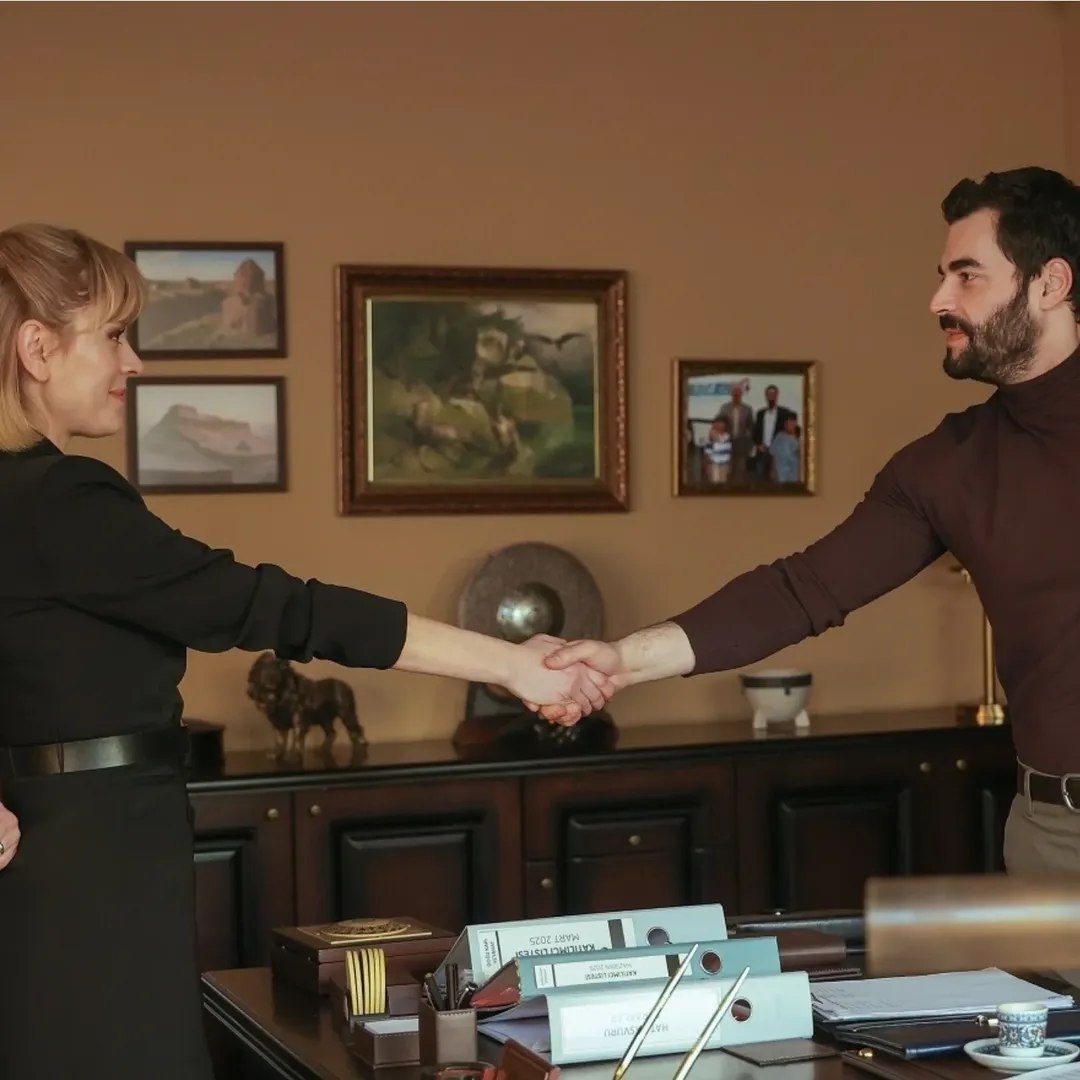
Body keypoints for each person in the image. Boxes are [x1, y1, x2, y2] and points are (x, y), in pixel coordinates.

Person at [0, 223, 614, 1079]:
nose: (133, 362)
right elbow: (276, 607)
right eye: (113, 335)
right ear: (36, 348)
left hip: (58, 855)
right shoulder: (63, 499)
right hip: (92, 862)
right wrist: (508, 664)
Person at [539, 166, 1080, 890]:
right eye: (941, 277)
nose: (938, 301)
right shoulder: (945, 466)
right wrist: (621, 660)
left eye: (967, 276)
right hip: (1054, 835)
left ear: (1050, 284)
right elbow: (802, 590)